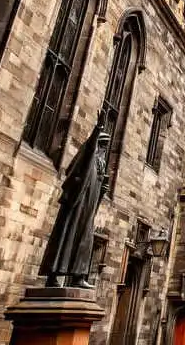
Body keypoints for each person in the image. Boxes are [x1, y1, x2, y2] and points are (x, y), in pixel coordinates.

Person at [39, 120, 110, 288]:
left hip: (88, 209)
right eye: (102, 145)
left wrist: (102, 190)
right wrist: (97, 129)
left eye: (106, 146)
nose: (104, 149)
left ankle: (78, 276)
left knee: (85, 240)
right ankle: (53, 275)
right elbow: (89, 149)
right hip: (76, 207)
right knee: (66, 236)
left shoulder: (100, 166)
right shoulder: (88, 160)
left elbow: (97, 188)